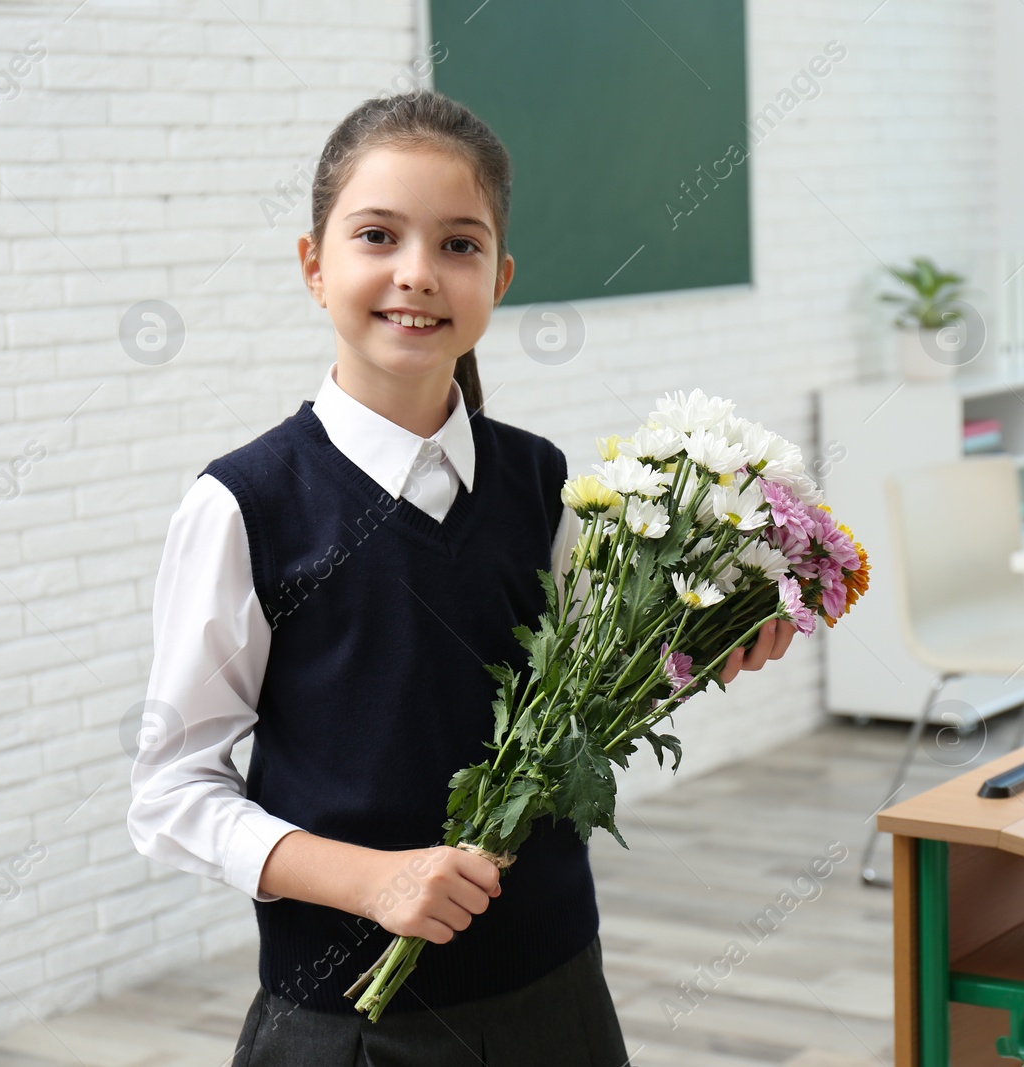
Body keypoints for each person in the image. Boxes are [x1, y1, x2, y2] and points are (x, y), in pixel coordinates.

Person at [125, 88, 796, 1066]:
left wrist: (707, 647)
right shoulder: (245, 505)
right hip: (349, 1022)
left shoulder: (543, 481)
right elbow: (172, 793)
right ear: (314, 266)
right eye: (377, 235)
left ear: (501, 275)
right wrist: (374, 881)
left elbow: (580, 702)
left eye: (458, 244)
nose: (417, 274)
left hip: (557, 995)